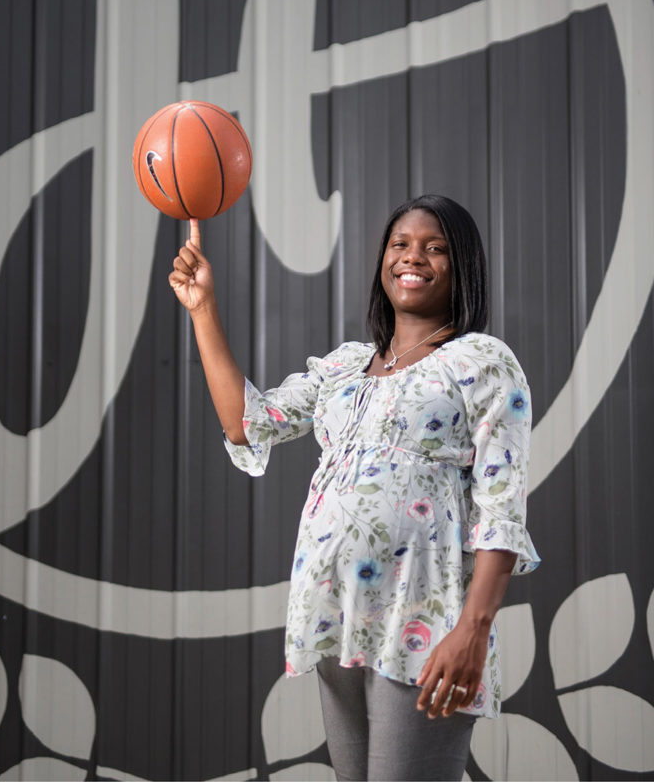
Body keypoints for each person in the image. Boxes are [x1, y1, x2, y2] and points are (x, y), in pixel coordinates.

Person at [169, 194, 539, 782]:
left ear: (462, 266)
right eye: (400, 244)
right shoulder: (344, 367)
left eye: (435, 248)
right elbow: (248, 423)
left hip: (425, 618)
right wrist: (203, 309)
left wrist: (472, 631)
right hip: (336, 616)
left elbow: (502, 512)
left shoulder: (483, 362)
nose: (412, 257)